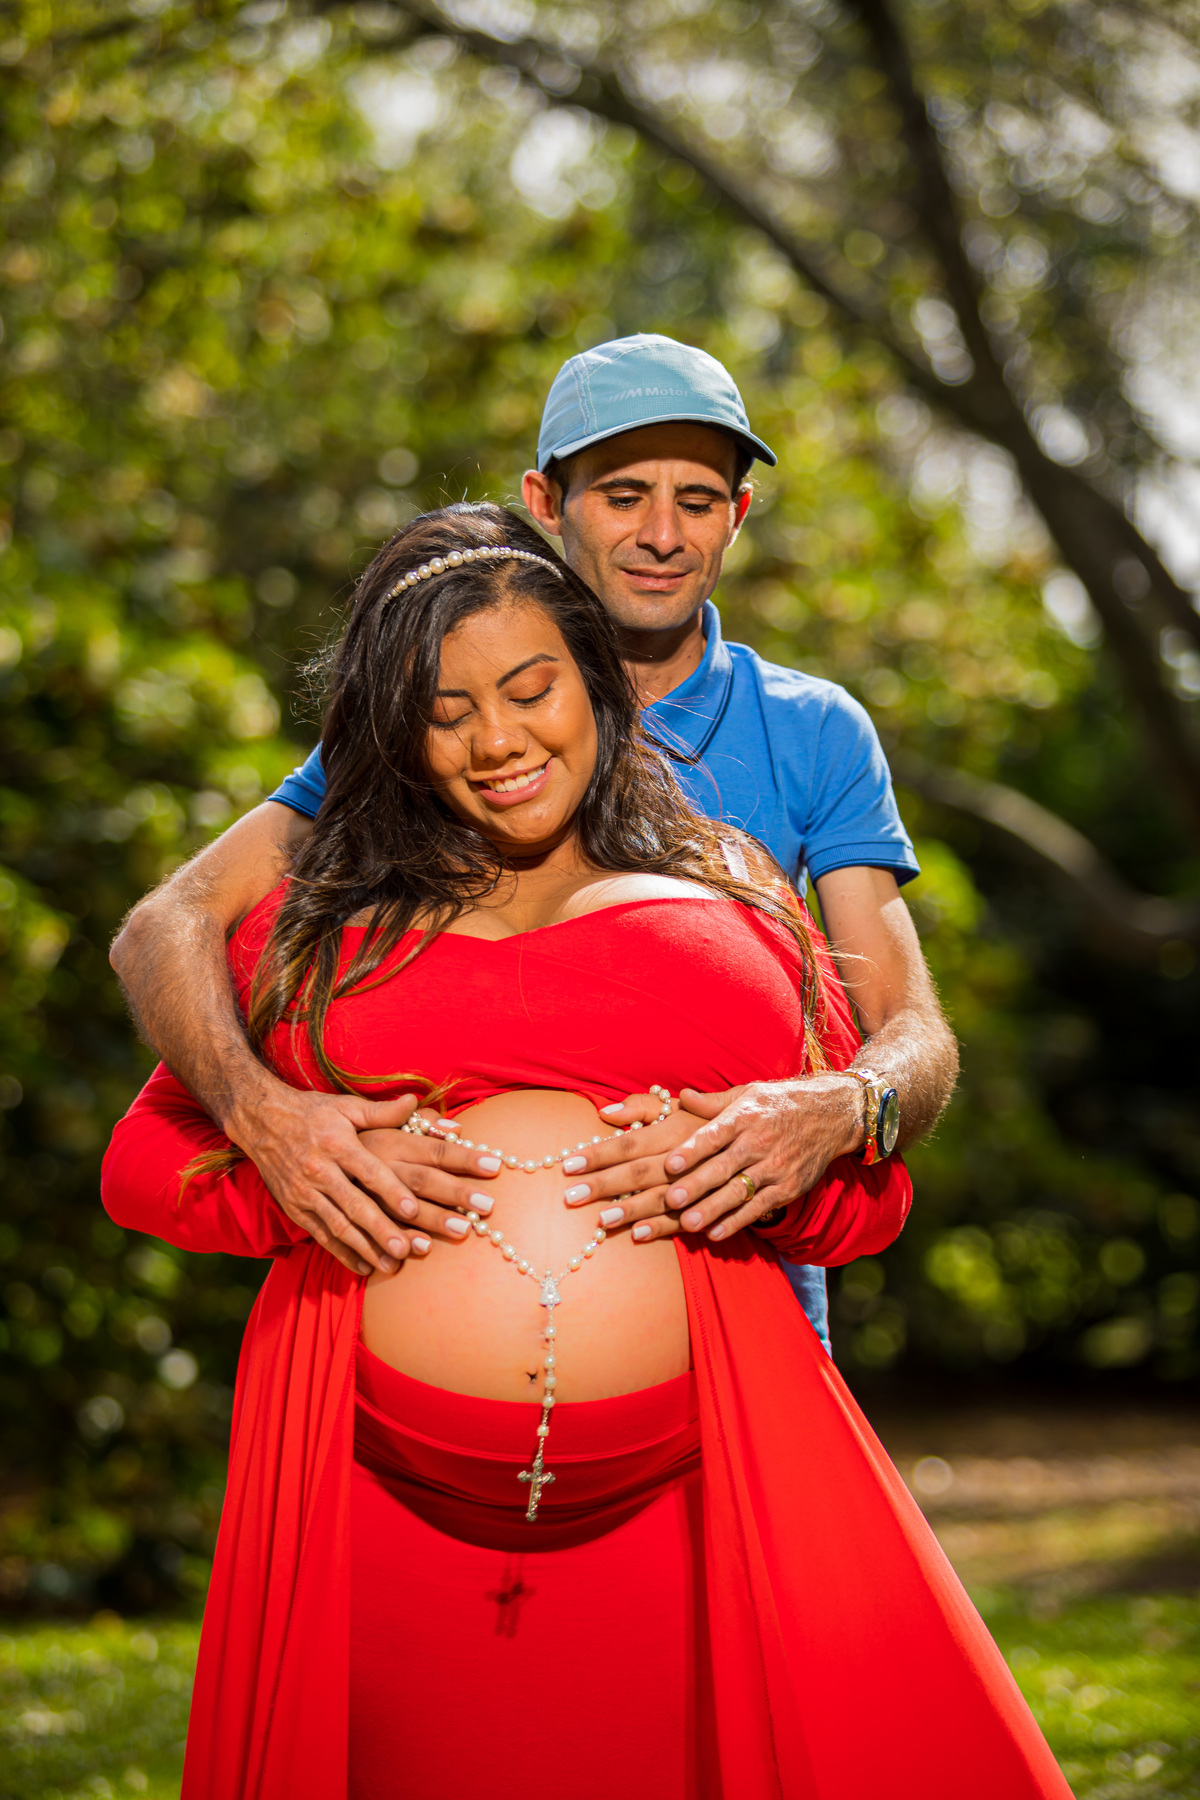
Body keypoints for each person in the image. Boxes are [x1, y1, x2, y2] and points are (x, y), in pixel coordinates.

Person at [101, 506, 1067, 1800]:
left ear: (597, 683)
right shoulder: (318, 920)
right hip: (374, 1489)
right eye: (446, 712)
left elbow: (865, 1200)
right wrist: (300, 1162)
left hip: (694, 1483)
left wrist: (771, 1146)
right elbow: (144, 1161)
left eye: (530, 689)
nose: (497, 739)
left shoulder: (734, 890)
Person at [109, 332, 958, 1348]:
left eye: (697, 501)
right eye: (624, 495)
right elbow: (170, 922)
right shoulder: (437, 719)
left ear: (737, 516)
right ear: (546, 502)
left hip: (750, 1324)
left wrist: (836, 1107)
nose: (662, 534)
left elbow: (910, 1029)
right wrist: (262, 1114)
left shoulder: (812, 729)